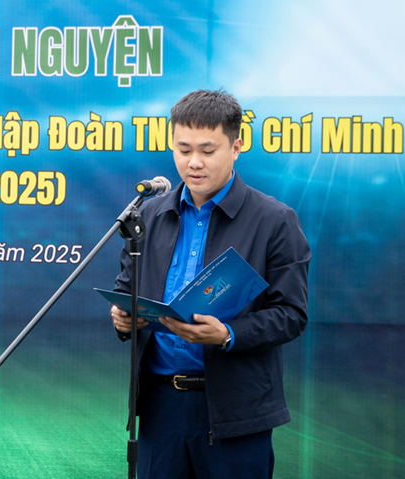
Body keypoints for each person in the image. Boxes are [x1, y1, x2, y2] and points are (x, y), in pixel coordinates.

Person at [110, 89, 310, 478]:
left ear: (236, 147)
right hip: (160, 405)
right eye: (183, 149)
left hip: (236, 411)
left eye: (207, 150)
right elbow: (126, 288)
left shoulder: (274, 220)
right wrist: (123, 318)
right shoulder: (149, 214)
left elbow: (291, 315)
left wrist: (227, 334)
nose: (194, 162)